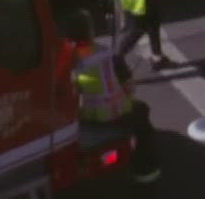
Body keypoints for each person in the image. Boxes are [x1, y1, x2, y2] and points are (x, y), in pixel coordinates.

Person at [64, 10, 159, 183]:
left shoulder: (67, 59)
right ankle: (145, 172)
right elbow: (130, 88)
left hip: (87, 119)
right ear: (90, 31)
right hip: (118, 115)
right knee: (143, 115)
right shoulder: (108, 54)